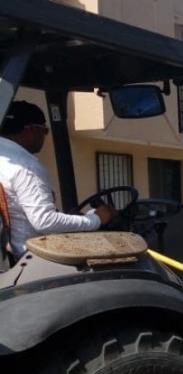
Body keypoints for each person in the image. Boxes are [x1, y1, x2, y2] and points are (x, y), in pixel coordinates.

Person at [0, 101, 114, 263]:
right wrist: (96, 220)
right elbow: (45, 222)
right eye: (44, 131)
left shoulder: (4, 158)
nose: (44, 137)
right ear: (31, 130)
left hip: (10, 257)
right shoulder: (26, 167)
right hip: (33, 260)